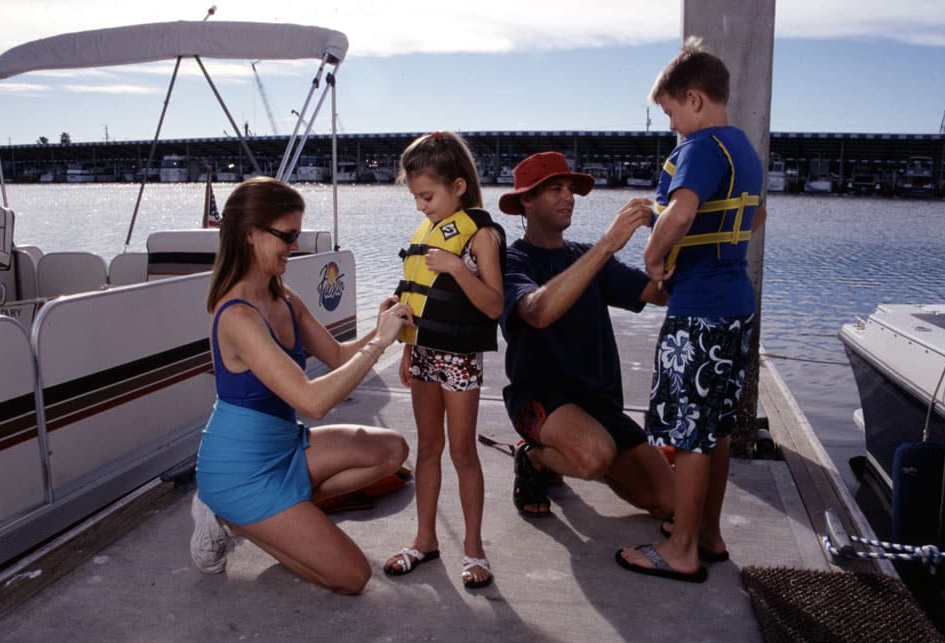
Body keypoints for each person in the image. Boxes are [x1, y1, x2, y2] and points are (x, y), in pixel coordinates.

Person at [189, 176, 413, 595]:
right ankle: (229, 517)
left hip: (285, 448)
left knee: (391, 451)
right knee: (352, 577)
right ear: (252, 235)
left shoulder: (285, 298)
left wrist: (382, 325)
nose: (295, 246)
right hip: (241, 471)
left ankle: (282, 515)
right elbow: (313, 401)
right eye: (288, 236)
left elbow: (339, 358)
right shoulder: (237, 315)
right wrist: (381, 344)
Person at [616, 37, 767, 583]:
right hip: (735, 309)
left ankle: (681, 549)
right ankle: (707, 532)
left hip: (698, 311)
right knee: (717, 427)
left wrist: (655, 260)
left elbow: (677, 215)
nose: (672, 124)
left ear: (696, 100)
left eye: (672, 111)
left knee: (688, 431)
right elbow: (755, 219)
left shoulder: (701, 148)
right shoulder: (742, 151)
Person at [498, 151, 674, 524]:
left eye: (571, 189)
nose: (568, 197)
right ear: (525, 201)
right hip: (540, 400)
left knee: (670, 502)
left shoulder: (588, 257)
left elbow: (658, 294)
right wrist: (608, 243)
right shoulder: (511, 262)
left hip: (599, 405)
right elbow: (538, 311)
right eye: (555, 189)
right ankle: (534, 457)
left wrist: (672, 239)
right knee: (595, 456)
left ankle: (565, 452)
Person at [383, 131, 504, 589]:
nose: (421, 206)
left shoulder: (481, 237)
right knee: (428, 448)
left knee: (462, 451)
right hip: (426, 357)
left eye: (427, 196)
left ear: (458, 186)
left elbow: (493, 305)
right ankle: (425, 539)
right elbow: (418, 297)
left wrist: (457, 268)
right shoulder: (426, 234)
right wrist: (408, 346)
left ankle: (474, 549)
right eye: (416, 197)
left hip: (459, 361)